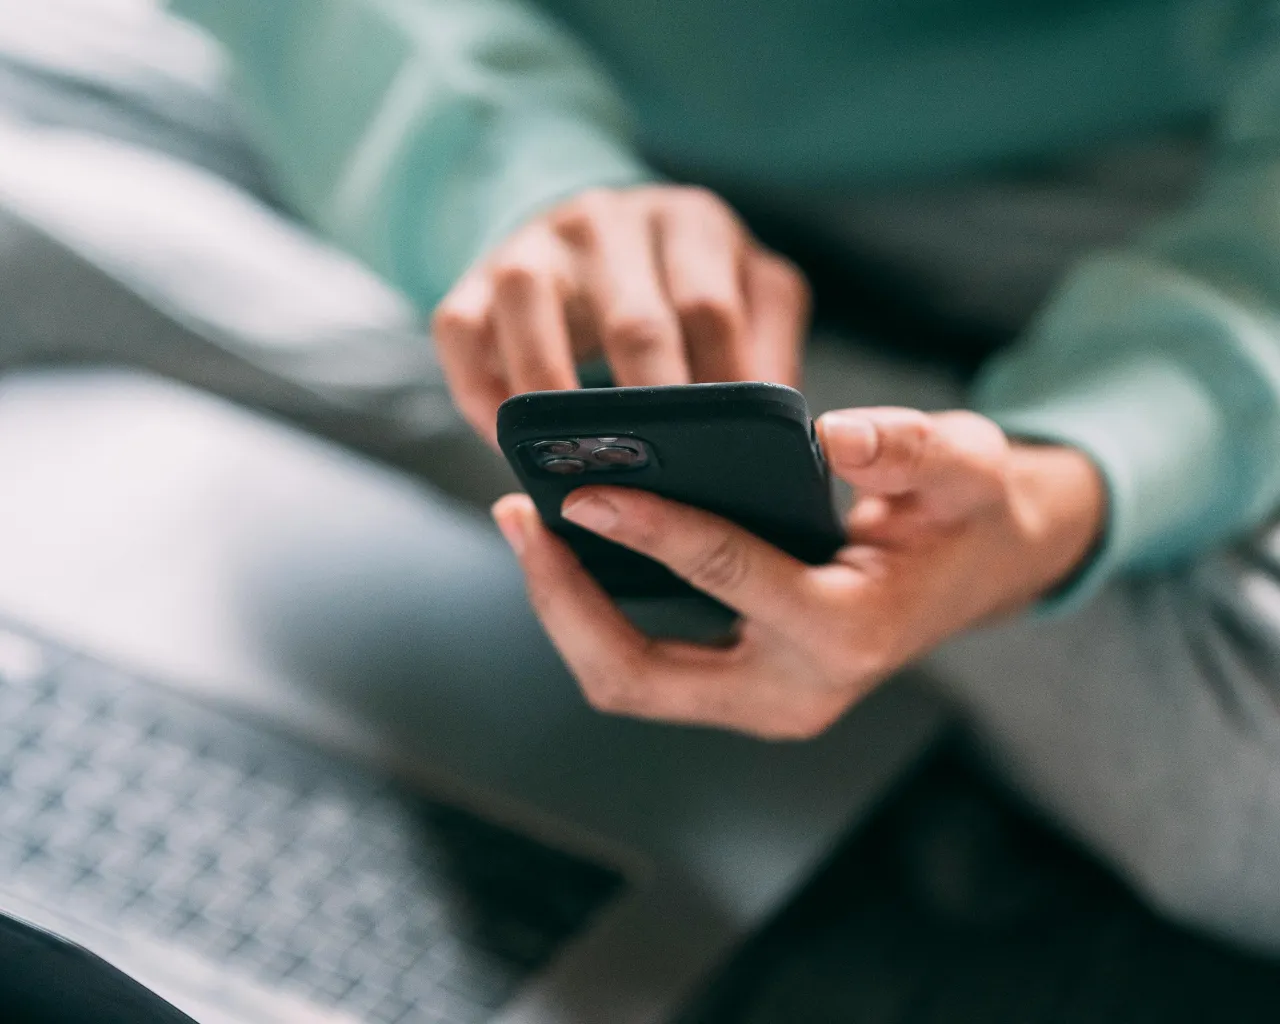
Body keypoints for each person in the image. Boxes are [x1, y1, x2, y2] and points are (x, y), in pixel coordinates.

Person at [4, 0, 1280, 951]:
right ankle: (713, 422)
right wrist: (506, 181)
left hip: (1145, 173)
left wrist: (1075, 485)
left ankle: (579, 401)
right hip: (473, 53)